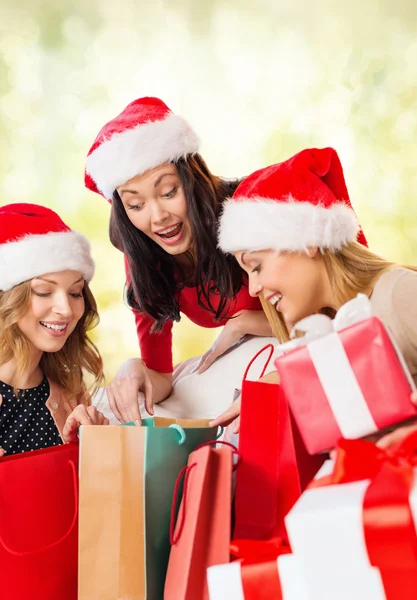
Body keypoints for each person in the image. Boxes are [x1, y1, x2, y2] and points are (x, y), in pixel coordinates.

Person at [85, 96, 274, 424]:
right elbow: (161, 376)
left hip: (296, 350)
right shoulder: (146, 260)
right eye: (136, 205)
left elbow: (329, 311)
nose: (158, 217)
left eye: (168, 192)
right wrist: (133, 370)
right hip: (246, 369)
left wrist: (246, 322)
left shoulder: (249, 211)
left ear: (192, 179)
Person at [211, 146, 417, 446]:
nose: (254, 289)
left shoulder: (398, 292)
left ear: (308, 241)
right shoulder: (330, 337)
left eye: (256, 266)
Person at [0, 203, 108, 457]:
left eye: (75, 293)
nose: (67, 309)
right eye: (43, 291)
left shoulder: (71, 392)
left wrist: (94, 447)